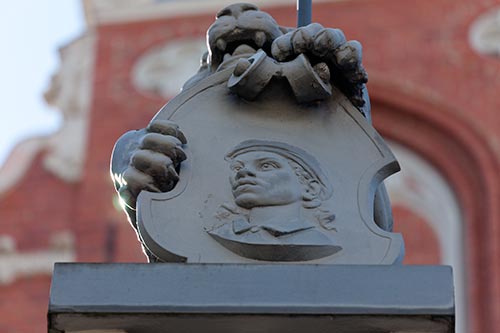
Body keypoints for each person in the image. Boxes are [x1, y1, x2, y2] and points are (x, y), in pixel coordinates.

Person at [207, 140, 341, 261]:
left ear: (309, 188)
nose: (243, 173)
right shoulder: (223, 232)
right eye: (238, 168)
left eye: (266, 166)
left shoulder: (315, 240)